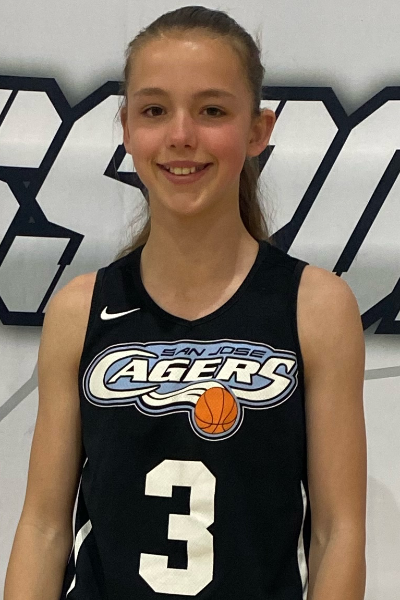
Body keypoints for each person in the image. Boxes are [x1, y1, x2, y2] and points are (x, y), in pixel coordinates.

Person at [4, 6, 367, 600]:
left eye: (212, 110)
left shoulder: (316, 307)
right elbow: (44, 528)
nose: (180, 135)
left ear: (258, 130)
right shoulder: (79, 310)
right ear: (126, 128)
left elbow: (336, 534)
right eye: (154, 110)